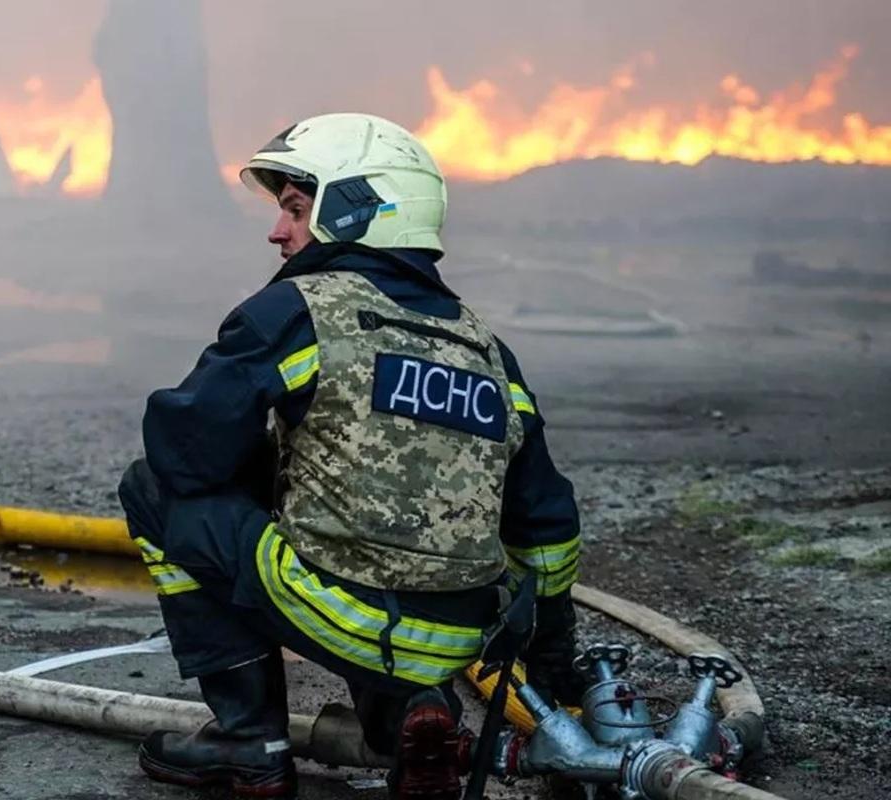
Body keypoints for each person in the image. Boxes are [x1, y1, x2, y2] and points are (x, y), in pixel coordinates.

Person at [117, 113, 583, 800]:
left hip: (343, 615)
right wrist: (554, 682)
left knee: (152, 490)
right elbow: (547, 527)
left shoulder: (298, 312)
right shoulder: (486, 349)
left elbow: (185, 452)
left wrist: (261, 470)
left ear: (358, 207)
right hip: (456, 641)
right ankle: (416, 718)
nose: (279, 232)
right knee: (370, 528)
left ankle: (250, 739)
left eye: (297, 209)